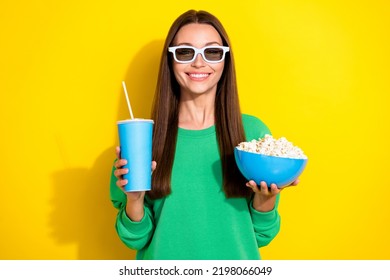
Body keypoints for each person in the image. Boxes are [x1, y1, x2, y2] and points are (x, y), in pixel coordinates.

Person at [110, 9, 299, 260]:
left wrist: (267, 198)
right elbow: (137, 238)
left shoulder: (253, 136)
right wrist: (134, 199)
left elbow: (261, 235)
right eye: (185, 52)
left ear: (225, 61)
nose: (199, 63)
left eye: (212, 52)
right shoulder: (141, 139)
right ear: (170, 61)